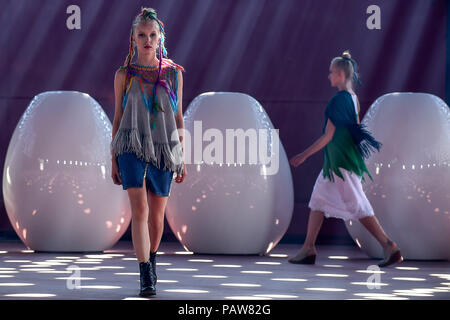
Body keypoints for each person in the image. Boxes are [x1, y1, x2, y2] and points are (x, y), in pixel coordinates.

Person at [288, 50, 402, 268]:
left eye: (331, 73)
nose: (329, 76)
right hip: (337, 163)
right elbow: (355, 130)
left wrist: (303, 156)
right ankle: (308, 248)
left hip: (340, 164)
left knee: (358, 206)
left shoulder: (338, 100)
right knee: (318, 200)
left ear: (340, 75)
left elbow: (328, 136)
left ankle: (389, 245)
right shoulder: (353, 99)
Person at [110, 7, 187, 296]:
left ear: (159, 38)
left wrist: (182, 158)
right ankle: (145, 275)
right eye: (141, 34)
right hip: (130, 146)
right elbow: (117, 117)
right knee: (139, 210)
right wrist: (113, 157)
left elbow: (178, 119)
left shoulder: (173, 74)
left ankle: (151, 260)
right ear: (133, 39)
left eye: (152, 35)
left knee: (156, 218)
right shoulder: (123, 75)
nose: (147, 39)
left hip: (164, 150)